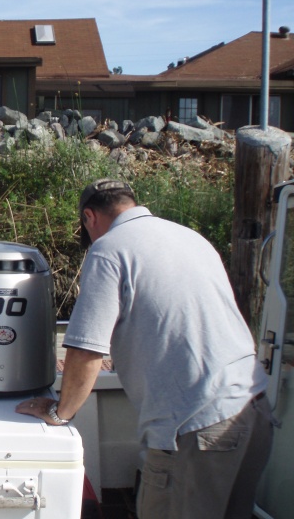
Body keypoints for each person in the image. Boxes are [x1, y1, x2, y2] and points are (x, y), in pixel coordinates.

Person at [16, 179, 274, 519]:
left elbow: (86, 349)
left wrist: (60, 412)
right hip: (254, 414)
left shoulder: (109, 249)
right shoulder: (190, 238)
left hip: (198, 428)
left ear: (90, 218)